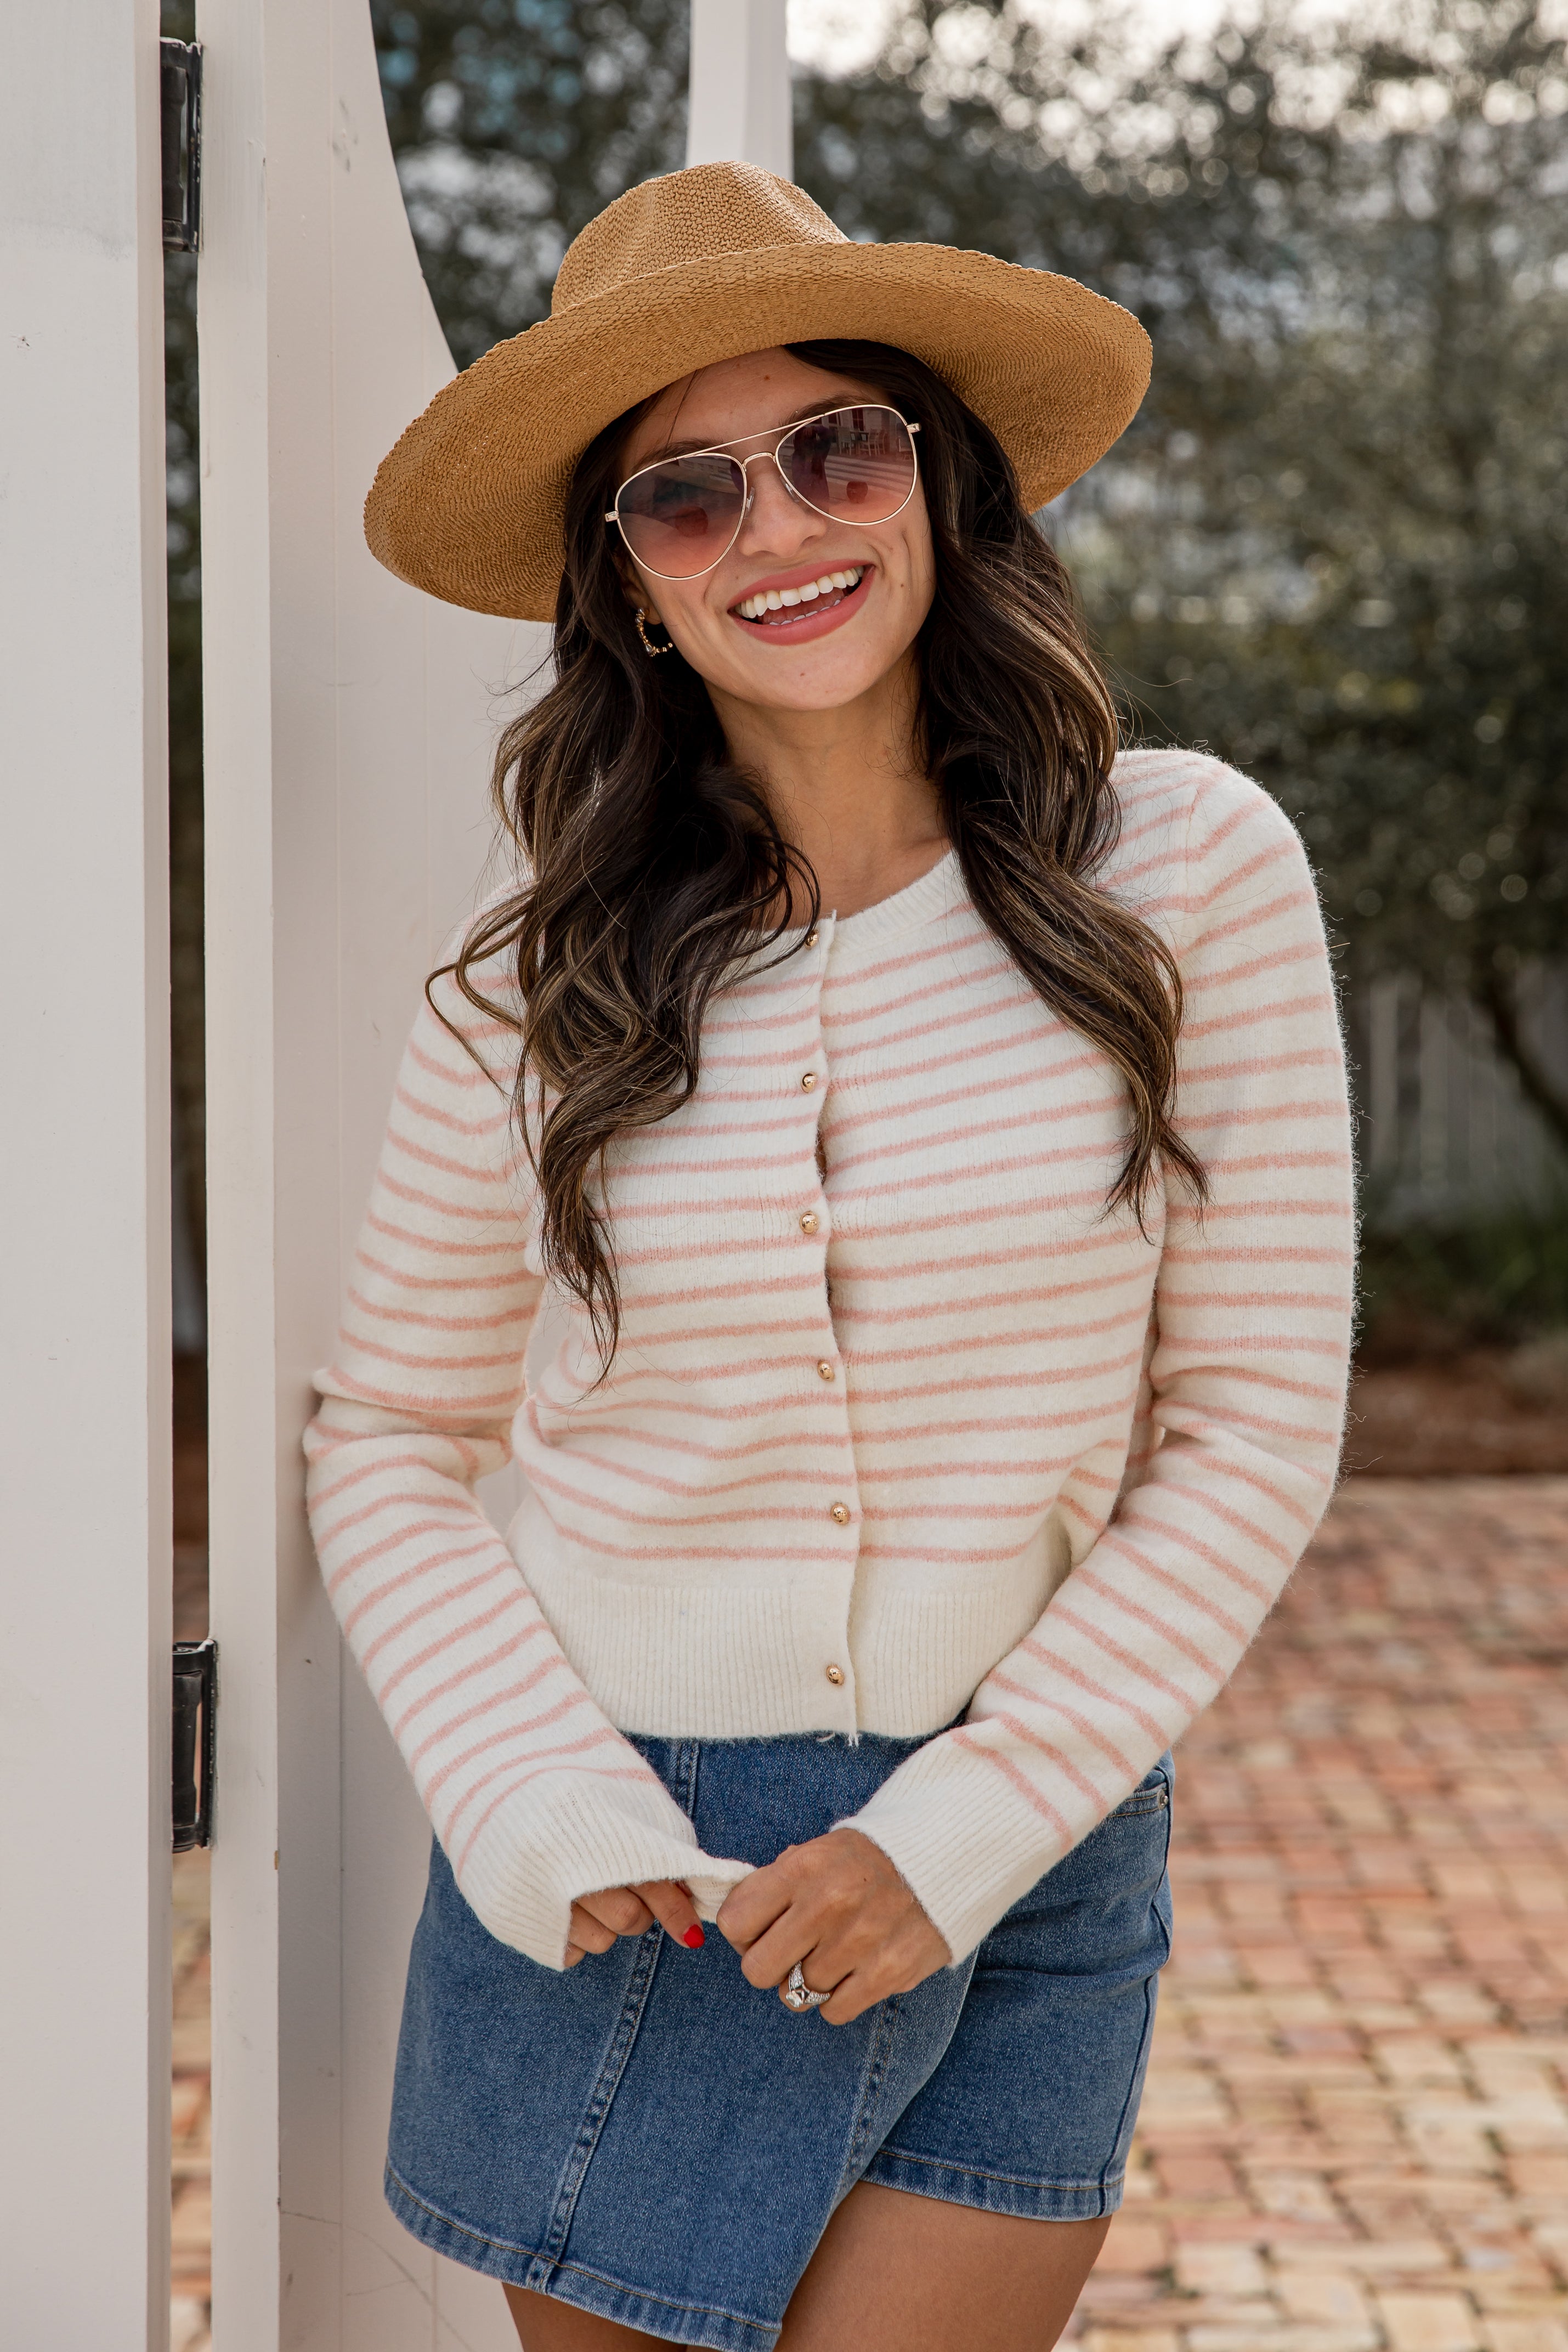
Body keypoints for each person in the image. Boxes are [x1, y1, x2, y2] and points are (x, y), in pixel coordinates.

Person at [306, 162, 1355, 2352]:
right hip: (627, 1885)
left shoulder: (1187, 872)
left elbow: (1247, 1419)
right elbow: (387, 1440)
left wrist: (968, 1821)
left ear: (935, 479)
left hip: (1023, 1825)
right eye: (685, 497)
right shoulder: (526, 1000)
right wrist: (530, 1792)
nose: (776, 530)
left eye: (831, 447)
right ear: (628, 590)